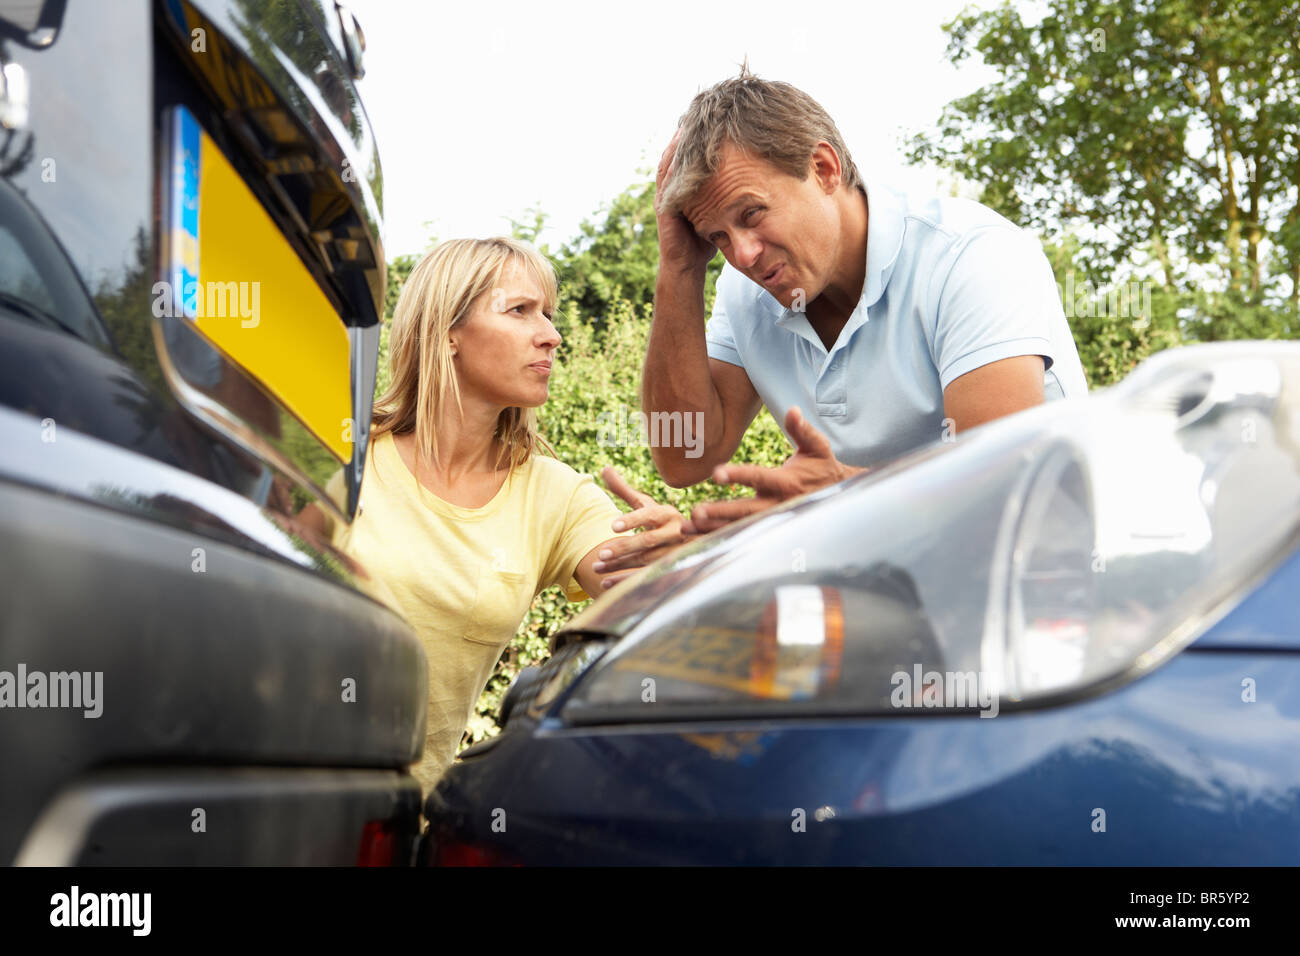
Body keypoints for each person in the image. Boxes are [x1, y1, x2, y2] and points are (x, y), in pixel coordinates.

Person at [643, 66, 1089, 533]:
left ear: (824, 168)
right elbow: (684, 457)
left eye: (751, 214)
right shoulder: (743, 292)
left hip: (1052, 573)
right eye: (718, 237)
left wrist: (831, 501)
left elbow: (996, 493)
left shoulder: (971, 256)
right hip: (889, 576)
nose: (743, 255)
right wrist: (679, 269)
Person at [311, 237, 686, 791]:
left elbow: (648, 599)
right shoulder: (342, 456)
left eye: (550, 316)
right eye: (520, 311)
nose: (552, 335)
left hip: (400, 827)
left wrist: (683, 564)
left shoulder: (556, 496)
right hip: (263, 794)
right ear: (447, 332)